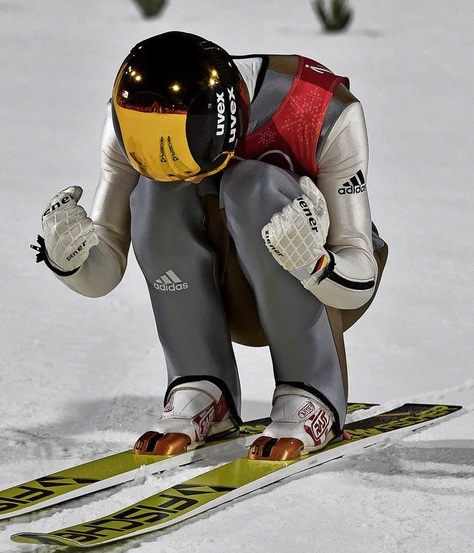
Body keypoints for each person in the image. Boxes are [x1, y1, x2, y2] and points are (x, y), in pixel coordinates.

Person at [33, 31, 387, 460]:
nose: (189, 178)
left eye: (190, 160)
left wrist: (314, 261)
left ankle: (309, 388)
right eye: (158, 153)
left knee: (250, 184)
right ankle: (200, 382)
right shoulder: (132, 118)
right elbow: (107, 263)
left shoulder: (320, 110)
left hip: (323, 287)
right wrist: (69, 259)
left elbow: (361, 271)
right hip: (219, 286)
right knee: (153, 192)